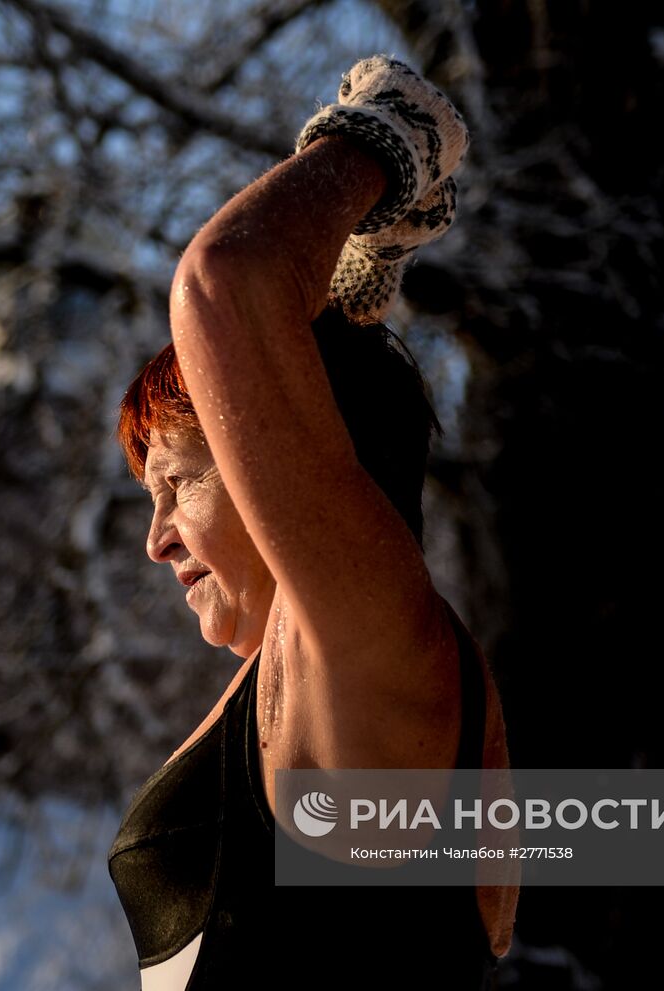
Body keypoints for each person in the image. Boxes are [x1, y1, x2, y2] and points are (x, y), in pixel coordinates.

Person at [107, 56, 517, 989]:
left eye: (177, 481)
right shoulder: (333, 678)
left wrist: (380, 143)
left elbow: (224, 284)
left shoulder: (372, 661)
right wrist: (348, 310)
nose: (156, 535)